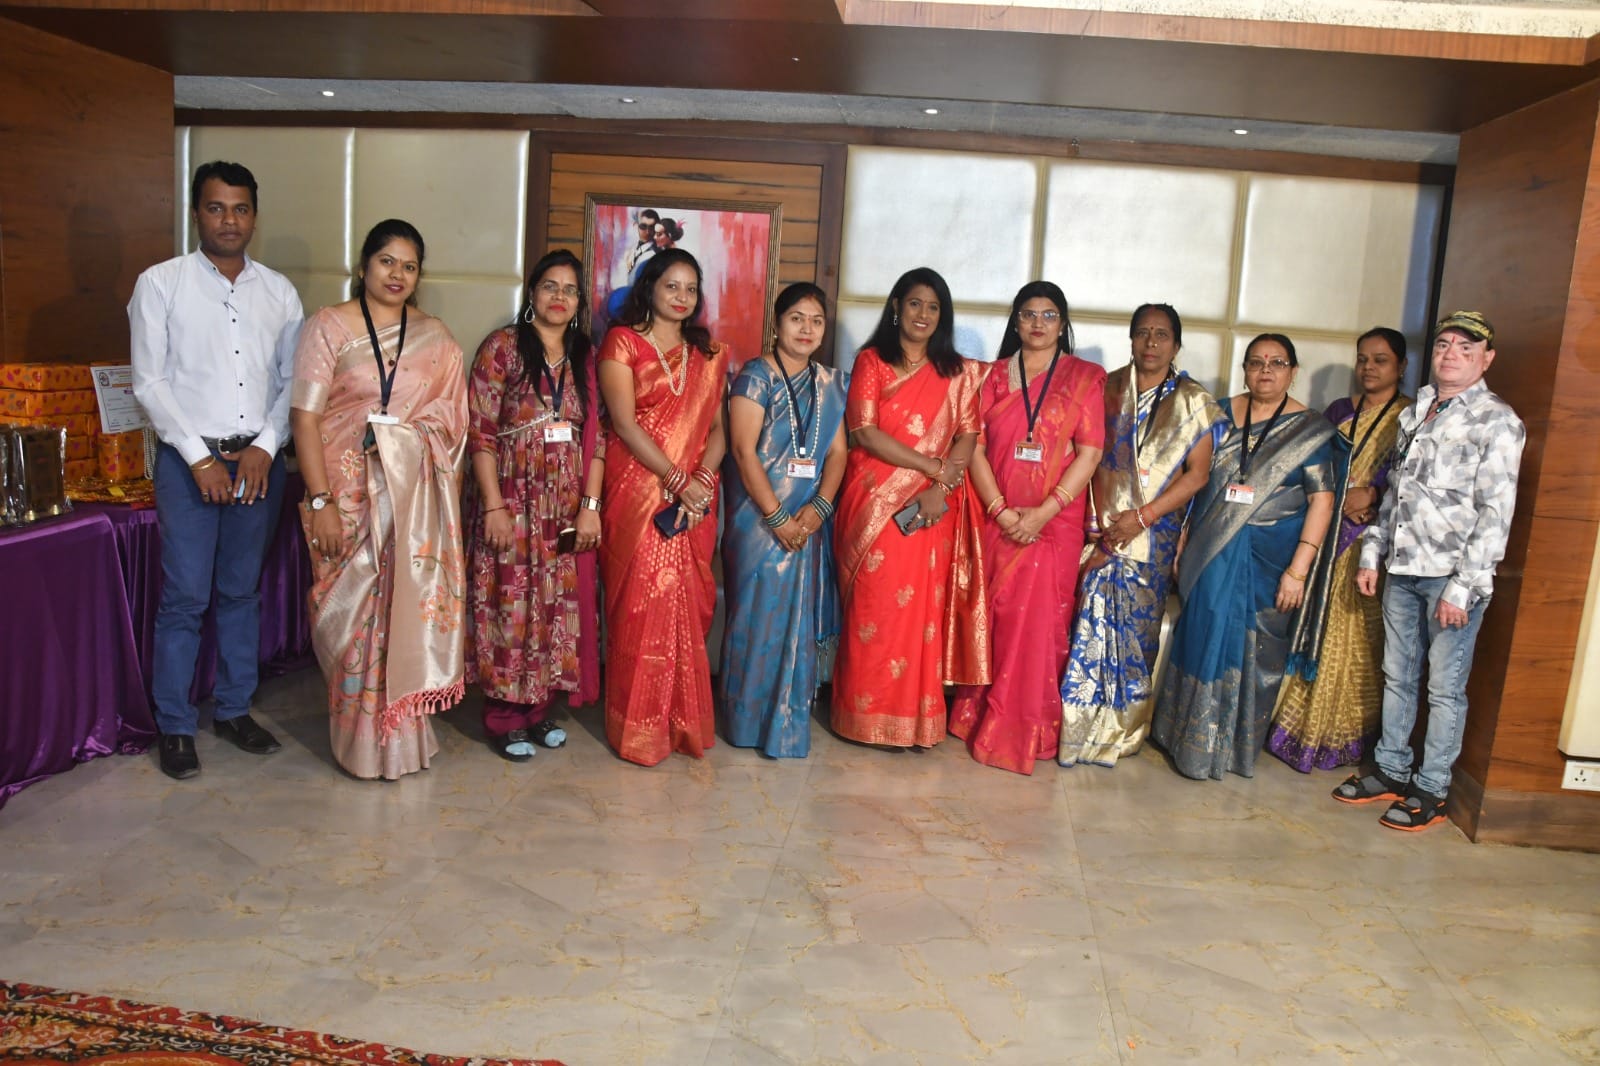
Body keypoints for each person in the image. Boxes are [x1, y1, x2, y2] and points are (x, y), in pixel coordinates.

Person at [129, 160, 305, 780]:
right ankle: (176, 726)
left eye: (240, 208)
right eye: (215, 207)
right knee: (184, 598)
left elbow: (294, 381)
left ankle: (233, 710)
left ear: (254, 216)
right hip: (188, 465)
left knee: (240, 593)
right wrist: (199, 457)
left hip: (258, 464)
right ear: (196, 213)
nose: (229, 220)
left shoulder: (280, 292)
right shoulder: (161, 284)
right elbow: (148, 382)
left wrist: (267, 446)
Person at [290, 219, 468, 780]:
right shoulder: (328, 326)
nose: (397, 274)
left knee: (402, 617)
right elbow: (305, 417)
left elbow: (453, 423)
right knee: (348, 621)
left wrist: (404, 441)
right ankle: (360, 742)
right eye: (387, 261)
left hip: (410, 504)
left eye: (409, 266)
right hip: (344, 497)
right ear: (364, 264)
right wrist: (320, 500)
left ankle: (403, 738)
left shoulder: (435, 338)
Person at [1334, 311, 1524, 831]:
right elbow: (1396, 491)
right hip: (1402, 566)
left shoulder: (1497, 421)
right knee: (1397, 676)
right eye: (1444, 345)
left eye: (1466, 347)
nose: (1451, 354)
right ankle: (1391, 769)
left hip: (1450, 578)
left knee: (1444, 688)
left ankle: (1433, 789)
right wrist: (1372, 552)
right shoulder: (1418, 409)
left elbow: (1496, 513)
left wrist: (1464, 587)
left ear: (1486, 358)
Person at [1151, 333, 1338, 780]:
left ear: (1293, 371)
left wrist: (1298, 570)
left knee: (1253, 649)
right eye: (1256, 362)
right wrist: (1183, 537)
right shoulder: (1218, 415)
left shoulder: (1309, 430)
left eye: (1277, 362)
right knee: (1203, 630)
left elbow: (1323, 500)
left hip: (1270, 559)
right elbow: (1196, 479)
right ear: (1245, 370)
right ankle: (1185, 740)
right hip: (1210, 550)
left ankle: (1230, 749)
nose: (1266, 370)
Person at [949, 282, 1104, 774]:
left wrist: (1043, 512)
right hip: (996, 515)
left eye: (1049, 315)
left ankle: (1024, 728)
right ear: (1016, 322)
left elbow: (1090, 453)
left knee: (1037, 623)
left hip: (1054, 523)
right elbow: (972, 446)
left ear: (1063, 323)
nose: (1038, 324)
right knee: (996, 616)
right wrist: (999, 510)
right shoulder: (992, 377)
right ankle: (979, 715)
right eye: (1029, 314)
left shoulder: (1084, 378)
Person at [832, 267, 989, 750]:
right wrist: (932, 467)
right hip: (876, 501)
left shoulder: (956, 372)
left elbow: (968, 434)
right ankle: (863, 717)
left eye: (933, 307)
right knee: (876, 606)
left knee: (920, 612)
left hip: (931, 506)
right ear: (897, 306)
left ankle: (913, 722)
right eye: (915, 303)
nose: (923, 314)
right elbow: (864, 432)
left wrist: (941, 484)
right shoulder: (873, 361)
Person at [1059, 303, 1222, 768]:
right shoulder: (1106, 388)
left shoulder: (1194, 401)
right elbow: (1084, 454)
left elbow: (1197, 474)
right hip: (1098, 529)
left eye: (1162, 334)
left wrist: (1143, 517)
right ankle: (1074, 730)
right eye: (1143, 333)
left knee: (1134, 639)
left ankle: (1122, 733)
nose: (1152, 343)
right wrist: (1102, 526)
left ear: (1176, 344)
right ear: (1131, 339)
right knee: (1085, 631)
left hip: (1153, 536)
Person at [464, 250, 604, 763]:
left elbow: (599, 439)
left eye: (570, 290)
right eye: (550, 286)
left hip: (564, 505)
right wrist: (494, 506)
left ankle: (540, 708)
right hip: (513, 497)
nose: (559, 297)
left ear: (580, 301)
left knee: (553, 607)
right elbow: (480, 431)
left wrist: (590, 506)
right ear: (532, 293)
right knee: (511, 606)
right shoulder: (502, 347)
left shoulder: (586, 357)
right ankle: (505, 716)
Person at [597, 248, 729, 766]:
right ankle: (637, 729)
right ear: (649, 286)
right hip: (638, 492)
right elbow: (624, 423)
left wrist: (702, 480)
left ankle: (681, 723)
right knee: (639, 605)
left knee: (687, 606)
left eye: (691, 289)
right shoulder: (622, 341)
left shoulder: (709, 354)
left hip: (694, 498)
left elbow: (717, 430)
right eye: (672, 285)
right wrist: (675, 479)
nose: (682, 297)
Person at [1271, 327, 1412, 772]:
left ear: (1402, 367)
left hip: (1369, 542)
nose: (1368, 367)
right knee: (1315, 626)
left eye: (1380, 360)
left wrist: (1373, 495)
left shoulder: (1409, 416)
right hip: (1327, 531)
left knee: (1353, 638)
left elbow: (1410, 478)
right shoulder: (1338, 411)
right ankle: (1296, 727)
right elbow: (1317, 464)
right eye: (1363, 359)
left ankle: (1339, 735)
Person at [720, 282, 849, 758]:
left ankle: (788, 725)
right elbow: (741, 450)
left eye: (816, 321)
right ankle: (747, 723)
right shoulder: (755, 376)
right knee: (755, 622)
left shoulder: (831, 383)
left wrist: (819, 509)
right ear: (777, 324)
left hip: (808, 525)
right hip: (758, 525)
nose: (806, 329)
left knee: (797, 627)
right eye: (797, 318)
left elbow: (838, 454)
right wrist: (777, 517)